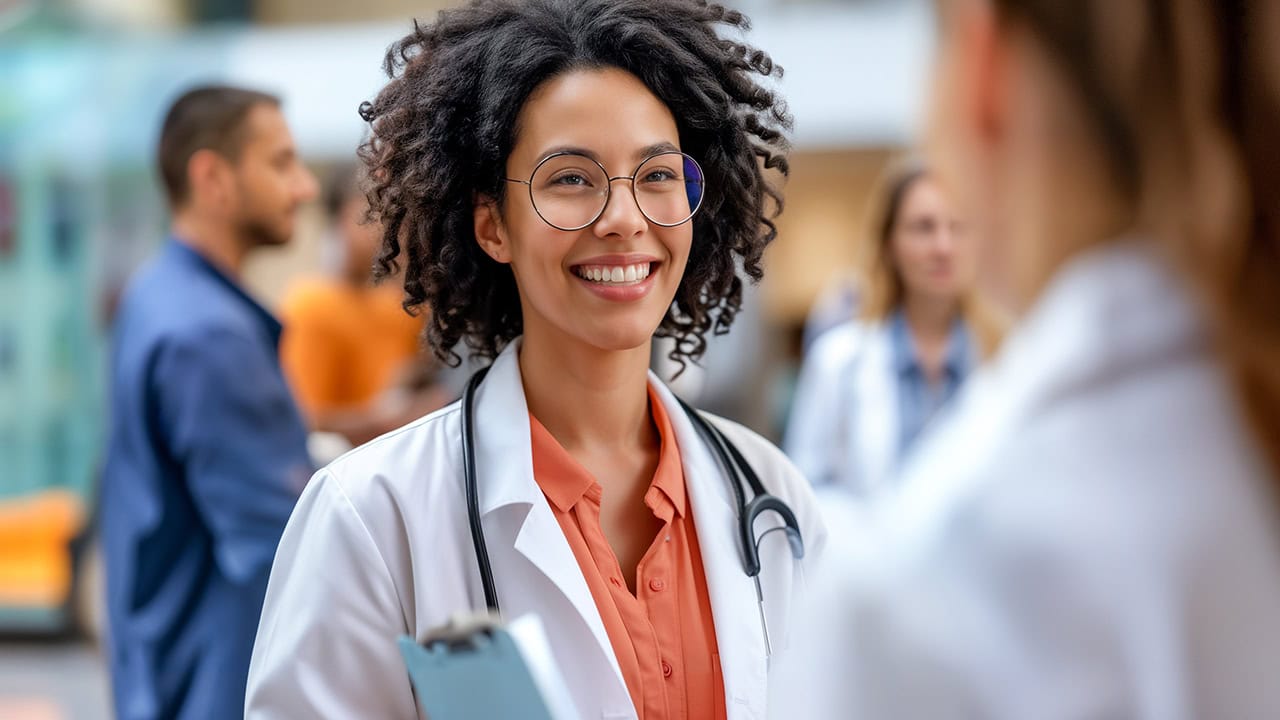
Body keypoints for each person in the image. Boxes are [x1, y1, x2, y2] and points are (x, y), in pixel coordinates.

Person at [245, 1, 827, 718]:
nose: (624, 218)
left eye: (657, 175)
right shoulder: (371, 516)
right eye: (572, 179)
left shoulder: (772, 499)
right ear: (492, 225)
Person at [776, 0, 1280, 717]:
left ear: (983, 67)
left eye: (946, 228)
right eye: (922, 229)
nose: (941, 246)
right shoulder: (849, 359)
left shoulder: (921, 598)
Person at [101, 85, 318, 720]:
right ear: (212, 178)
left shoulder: (156, 293)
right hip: (214, 686)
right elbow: (283, 556)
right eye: (280, 163)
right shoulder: (210, 336)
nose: (303, 188)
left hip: (160, 663)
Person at [784, 158, 1001, 496]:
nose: (943, 246)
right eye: (923, 227)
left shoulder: (1003, 363)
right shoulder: (838, 362)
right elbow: (807, 494)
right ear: (889, 245)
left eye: (958, 227)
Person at [279, 164, 447, 448]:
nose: (387, 226)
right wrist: (390, 420)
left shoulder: (399, 304)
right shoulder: (311, 305)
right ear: (342, 218)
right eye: (372, 212)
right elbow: (304, 420)